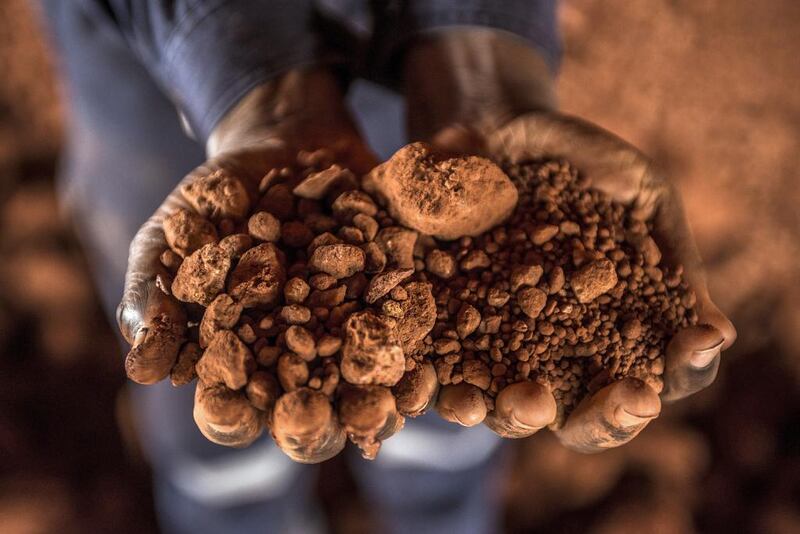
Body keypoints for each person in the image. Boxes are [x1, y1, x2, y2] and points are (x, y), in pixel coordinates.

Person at [41, 1, 736, 532]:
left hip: (412, 45)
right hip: (157, 48)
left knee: (442, 399)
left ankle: (438, 510)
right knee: (195, 376)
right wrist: (246, 70)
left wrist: (474, 43)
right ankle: (231, 506)